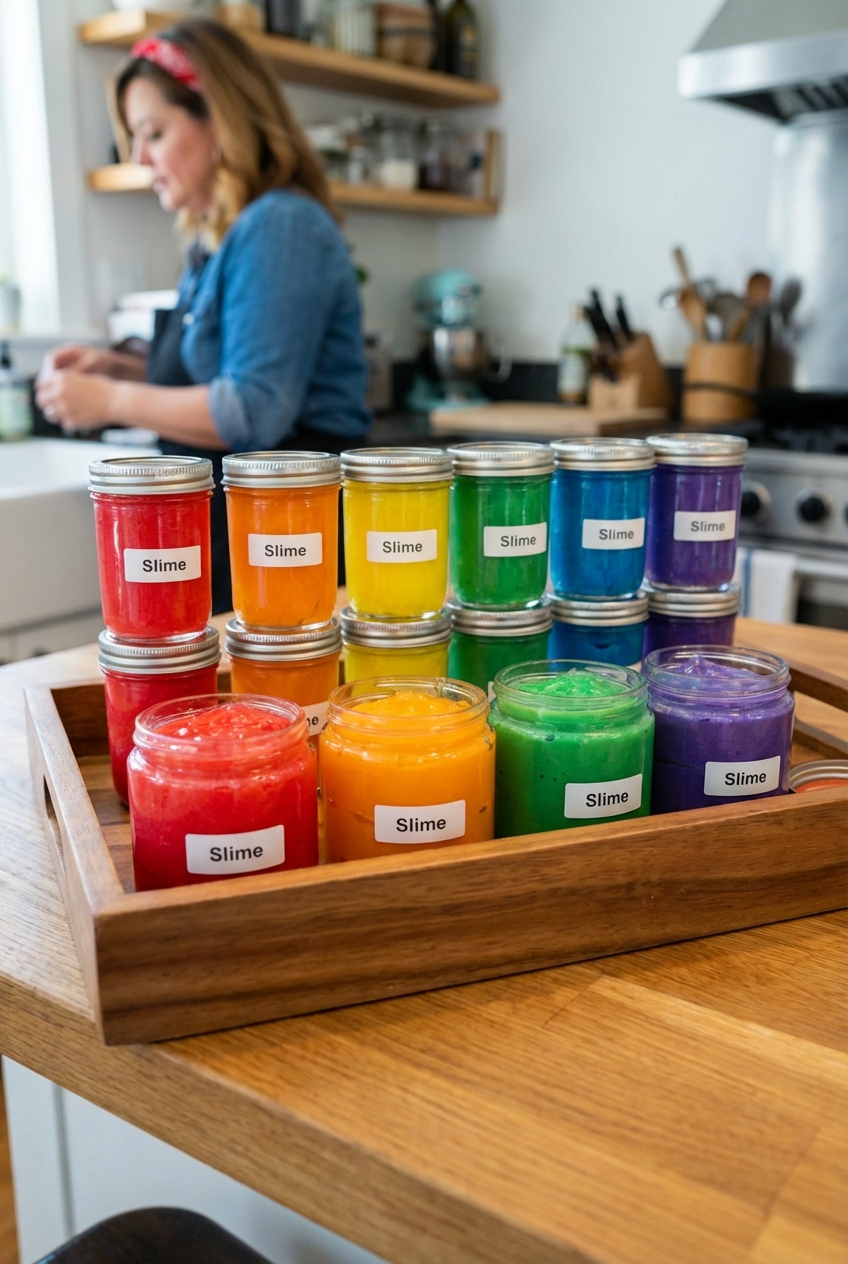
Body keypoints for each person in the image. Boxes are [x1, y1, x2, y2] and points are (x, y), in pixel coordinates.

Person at [37, 20, 371, 613]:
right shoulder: (217, 236)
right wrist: (117, 370)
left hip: (285, 529)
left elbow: (251, 410)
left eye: (154, 133)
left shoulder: (279, 227)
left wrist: (110, 402)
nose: (140, 158)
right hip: (240, 526)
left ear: (220, 118)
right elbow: (215, 365)